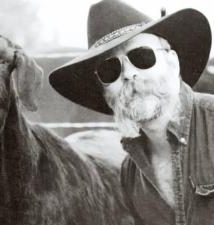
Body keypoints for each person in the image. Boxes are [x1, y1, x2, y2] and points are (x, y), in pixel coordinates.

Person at [49, 1, 213, 224]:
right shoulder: (130, 175)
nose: (128, 74)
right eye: (110, 70)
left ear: (172, 62)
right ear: (106, 93)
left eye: (142, 57)